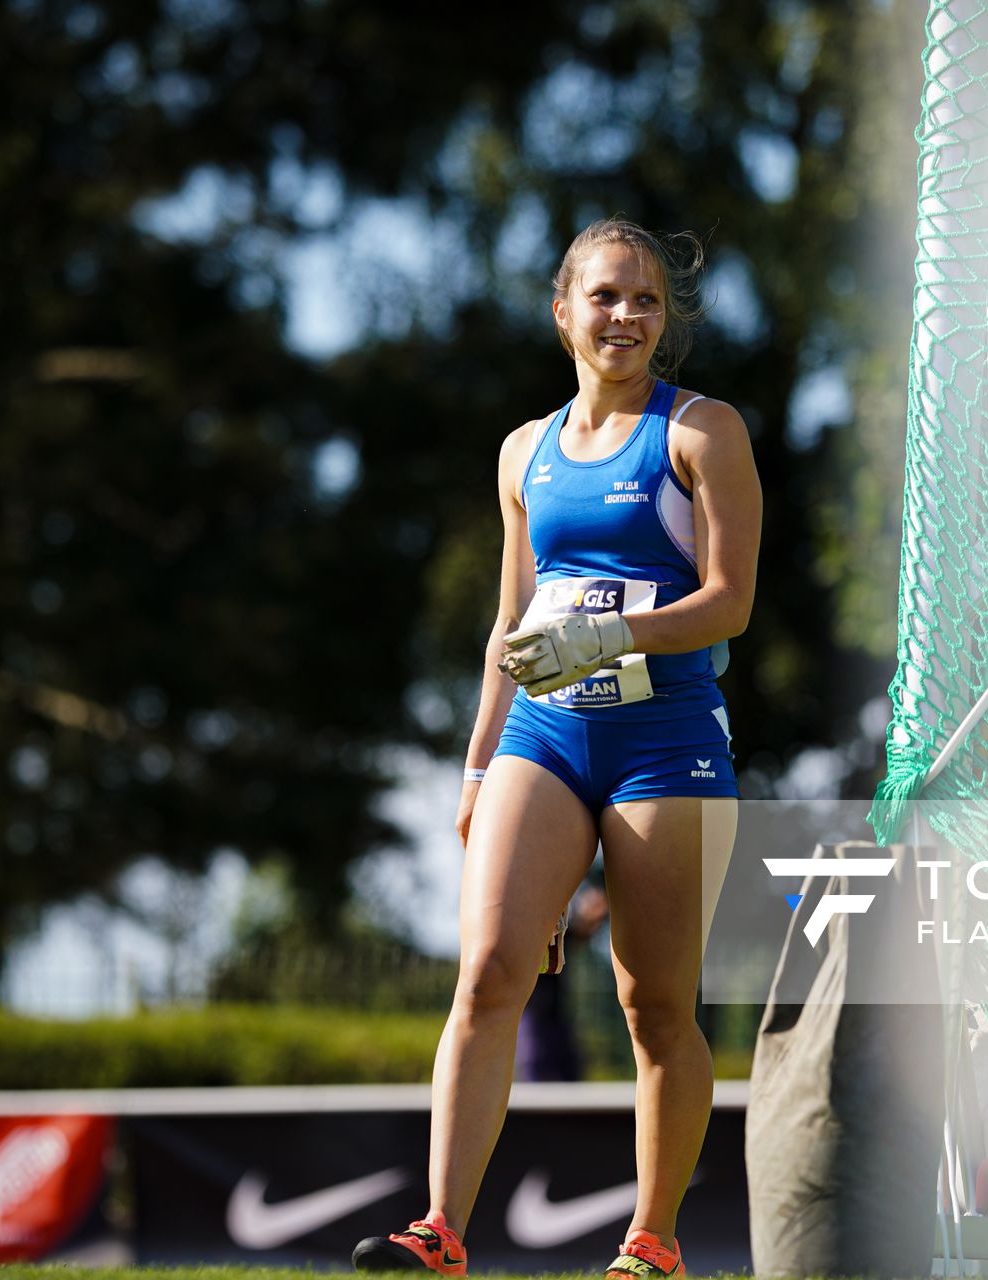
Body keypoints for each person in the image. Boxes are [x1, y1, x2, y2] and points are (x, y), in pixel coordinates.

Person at [353, 217, 760, 1279]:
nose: (626, 315)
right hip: (543, 732)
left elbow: (731, 603)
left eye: (647, 301)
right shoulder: (522, 452)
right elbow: (509, 624)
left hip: (668, 739)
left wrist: (612, 632)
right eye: (606, 296)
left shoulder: (701, 430)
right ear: (562, 310)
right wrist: (479, 764)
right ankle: (440, 1229)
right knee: (489, 969)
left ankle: (653, 1241)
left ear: (664, 321)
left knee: (654, 1002)